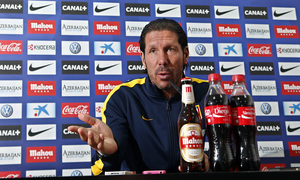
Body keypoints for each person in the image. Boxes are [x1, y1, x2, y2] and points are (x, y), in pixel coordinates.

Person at [68, 18, 209, 175]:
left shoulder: (209, 94)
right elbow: (102, 168)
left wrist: (212, 163)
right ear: (143, 59)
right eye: (153, 51)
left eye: (170, 49)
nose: (162, 60)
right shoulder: (123, 98)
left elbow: (230, 152)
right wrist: (108, 153)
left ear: (185, 54)